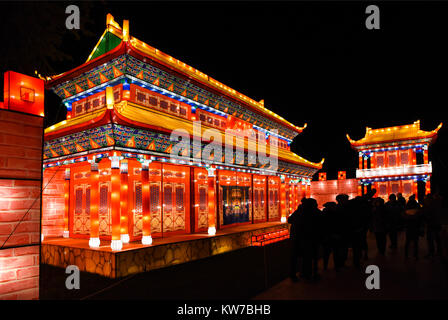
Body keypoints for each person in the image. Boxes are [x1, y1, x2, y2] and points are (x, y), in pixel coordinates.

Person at [295, 198, 321, 281]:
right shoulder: (317, 212)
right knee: (313, 256)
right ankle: (314, 273)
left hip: (303, 238)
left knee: (306, 257)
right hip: (314, 237)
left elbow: (290, 220)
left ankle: (305, 273)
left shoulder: (301, 212)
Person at [288, 200, 305, 282]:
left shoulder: (297, 213)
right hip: (302, 239)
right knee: (302, 256)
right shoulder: (304, 214)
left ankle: (294, 274)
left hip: (295, 238)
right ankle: (301, 272)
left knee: (294, 257)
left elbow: (289, 220)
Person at [403, 195, 423, 260]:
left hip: (408, 227)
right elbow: (420, 217)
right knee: (415, 242)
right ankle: (415, 255)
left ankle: (406, 255)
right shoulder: (417, 208)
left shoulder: (406, 208)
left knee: (407, 242)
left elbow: (404, 217)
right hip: (416, 227)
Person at [423, 193, 442, 258]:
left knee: (431, 239)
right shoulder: (436, 204)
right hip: (436, 223)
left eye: (426, 198)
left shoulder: (430, 206)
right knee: (437, 238)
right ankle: (438, 252)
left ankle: (432, 252)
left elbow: (428, 215)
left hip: (432, 224)